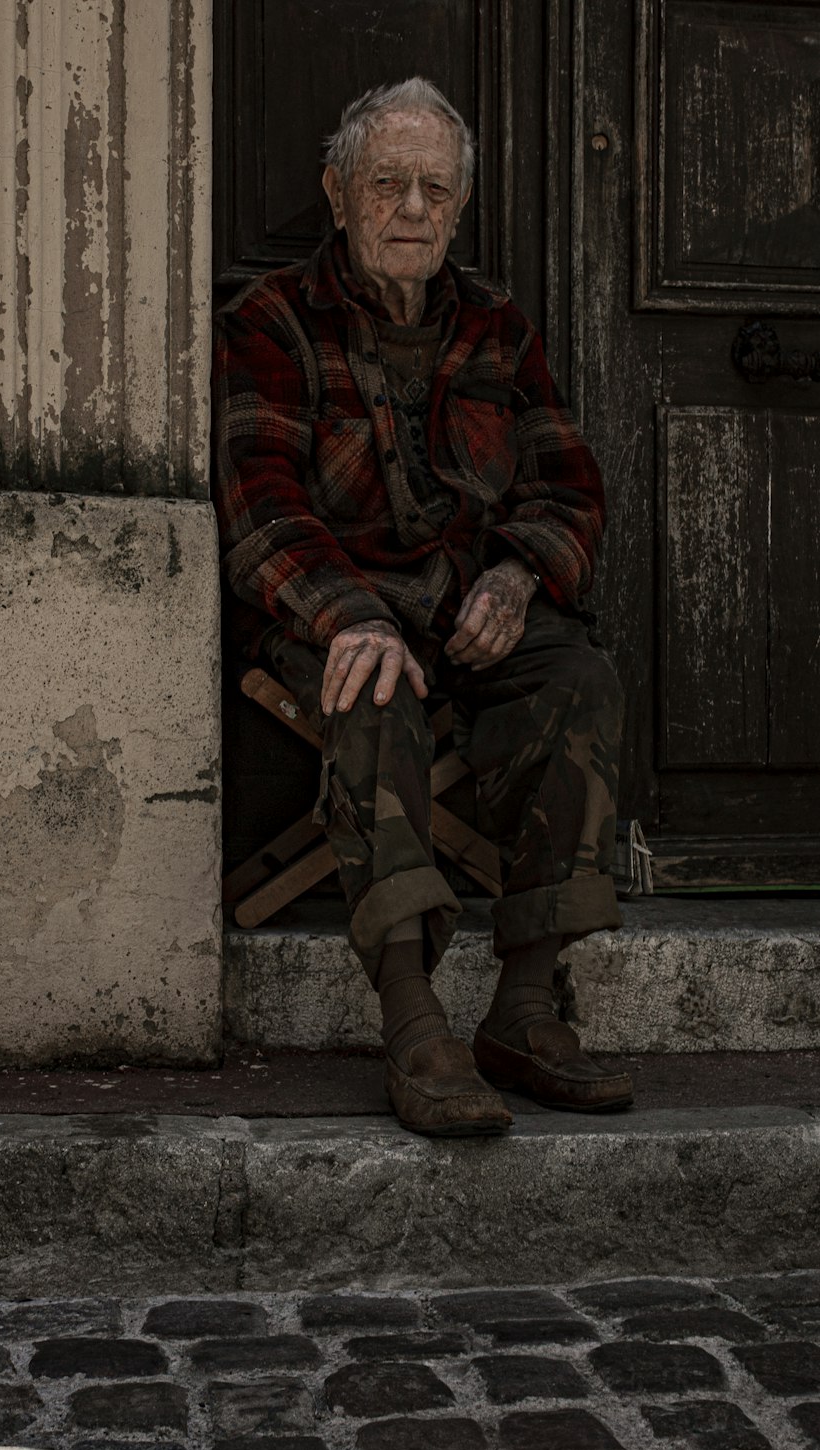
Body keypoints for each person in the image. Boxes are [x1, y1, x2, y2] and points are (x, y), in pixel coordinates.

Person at [213, 78, 633, 1136]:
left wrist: (518, 573)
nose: (410, 209)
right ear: (336, 191)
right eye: (386, 183)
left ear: (459, 207)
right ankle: (412, 1021)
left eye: (433, 190)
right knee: (373, 681)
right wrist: (348, 613)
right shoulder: (271, 321)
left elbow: (567, 486)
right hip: (335, 614)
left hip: (469, 613)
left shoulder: (495, 325)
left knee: (578, 676)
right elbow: (257, 502)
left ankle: (526, 1008)